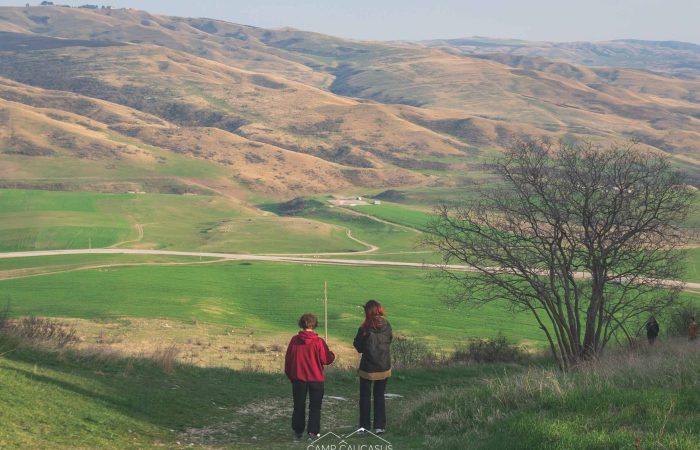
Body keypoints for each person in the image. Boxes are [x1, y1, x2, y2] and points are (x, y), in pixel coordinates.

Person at [284, 312, 335, 440]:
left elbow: (288, 360)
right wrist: (332, 354)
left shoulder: (294, 340)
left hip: (298, 379)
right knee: (315, 407)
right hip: (316, 379)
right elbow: (326, 359)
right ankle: (313, 432)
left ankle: (298, 431)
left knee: (299, 405)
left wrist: (291, 375)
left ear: (301, 324)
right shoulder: (318, 342)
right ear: (314, 325)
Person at [353, 300, 392, 435]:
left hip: (368, 368)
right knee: (379, 395)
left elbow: (358, 347)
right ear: (379, 310)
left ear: (367, 312)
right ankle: (380, 426)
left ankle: (364, 427)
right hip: (384, 365)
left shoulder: (364, 328)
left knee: (364, 397)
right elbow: (389, 340)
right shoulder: (387, 325)